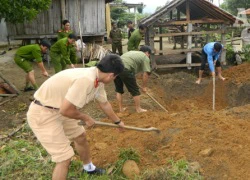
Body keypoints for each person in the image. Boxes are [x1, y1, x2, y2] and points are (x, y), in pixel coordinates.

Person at [27, 54, 125, 180]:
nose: (114, 79)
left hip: (61, 109)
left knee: (80, 136)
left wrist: (118, 122)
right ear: (111, 75)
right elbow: (66, 110)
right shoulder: (86, 80)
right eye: (115, 76)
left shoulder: (97, 80)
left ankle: (89, 168)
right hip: (44, 113)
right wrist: (85, 117)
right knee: (64, 158)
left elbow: (104, 104)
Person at [114, 45, 151, 113]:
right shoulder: (145, 57)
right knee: (135, 91)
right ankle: (138, 109)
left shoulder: (132, 52)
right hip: (125, 69)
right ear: (147, 52)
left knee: (118, 90)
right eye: (149, 54)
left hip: (115, 68)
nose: (149, 56)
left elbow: (130, 64)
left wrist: (131, 78)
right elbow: (146, 73)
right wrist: (144, 87)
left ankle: (121, 109)